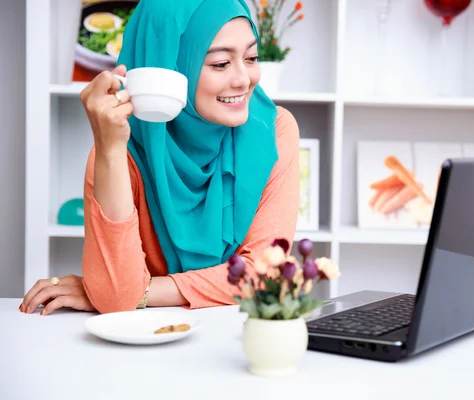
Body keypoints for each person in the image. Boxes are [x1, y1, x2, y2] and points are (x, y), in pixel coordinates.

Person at [19, 0, 300, 316]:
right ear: (169, 67)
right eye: (221, 64)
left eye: (251, 58)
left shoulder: (273, 131)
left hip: (240, 336)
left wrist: (142, 290)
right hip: (144, 344)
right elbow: (115, 299)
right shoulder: (117, 150)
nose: (243, 79)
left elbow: (264, 274)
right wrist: (109, 149)